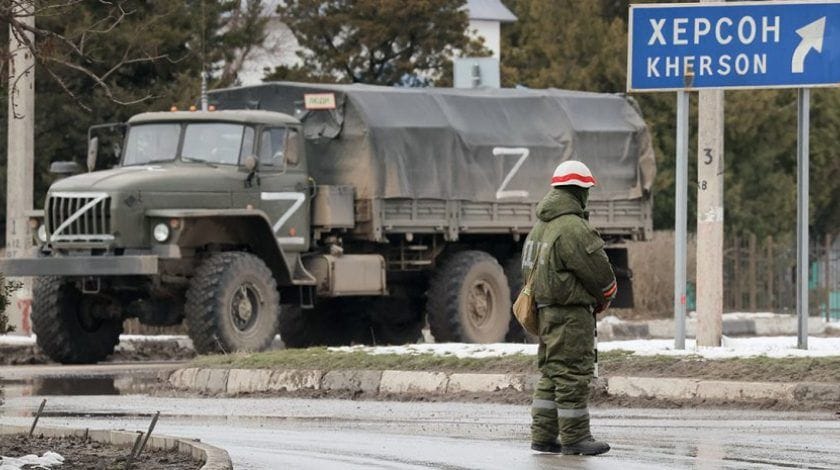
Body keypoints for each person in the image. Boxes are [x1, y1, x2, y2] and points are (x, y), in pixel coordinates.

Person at [521, 160, 617, 456]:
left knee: (552, 373)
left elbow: (527, 271)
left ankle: (543, 437)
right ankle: (576, 438)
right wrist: (604, 297)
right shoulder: (573, 227)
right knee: (573, 373)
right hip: (570, 314)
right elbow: (600, 274)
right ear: (579, 191)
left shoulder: (540, 227)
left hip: (546, 312)